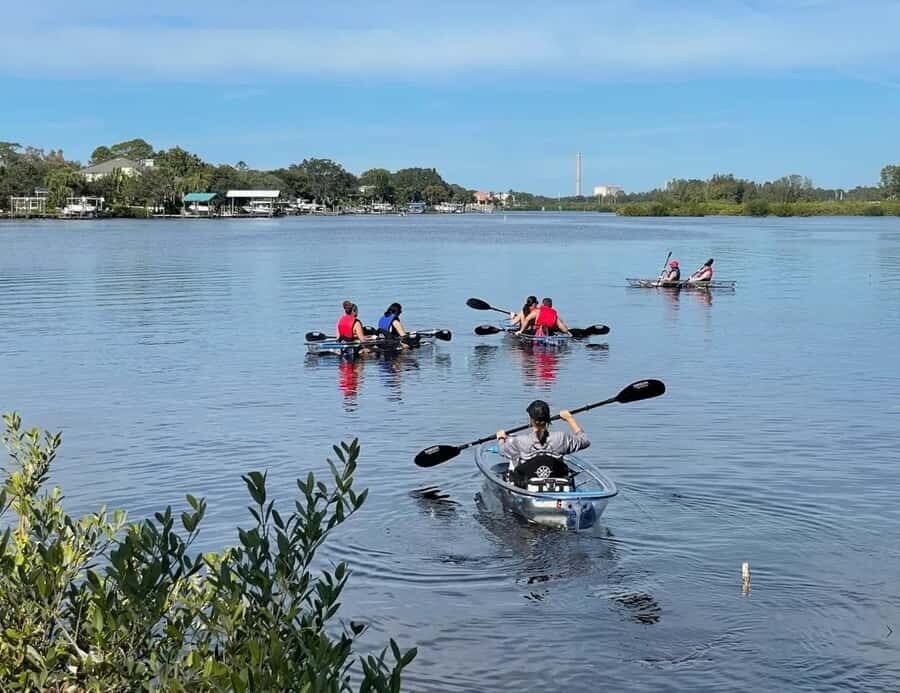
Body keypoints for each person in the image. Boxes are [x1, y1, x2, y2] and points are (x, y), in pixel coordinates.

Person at [496, 399, 590, 481]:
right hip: (557, 480)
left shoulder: (520, 441)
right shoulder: (562, 438)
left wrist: (501, 438)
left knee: (513, 459)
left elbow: (502, 451)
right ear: (548, 418)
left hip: (527, 483)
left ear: (531, 419)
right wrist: (569, 419)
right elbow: (584, 441)